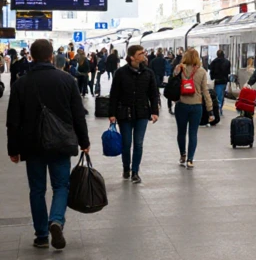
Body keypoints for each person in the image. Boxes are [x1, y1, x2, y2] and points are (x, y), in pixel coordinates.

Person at [6, 39, 90, 251]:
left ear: (31, 57)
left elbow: (13, 121)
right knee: (61, 186)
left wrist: (13, 149)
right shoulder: (67, 80)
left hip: (32, 144)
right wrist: (84, 141)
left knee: (37, 190)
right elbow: (78, 115)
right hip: (60, 142)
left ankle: (42, 236)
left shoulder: (21, 84)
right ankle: (56, 220)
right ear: (51, 56)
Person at [109, 45, 160, 184]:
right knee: (126, 143)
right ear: (132, 57)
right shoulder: (120, 73)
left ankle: (135, 171)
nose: (144, 55)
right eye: (140, 53)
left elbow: (153, 94)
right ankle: (126, 167)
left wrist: (155, 111)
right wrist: (112, 113)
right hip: (124, 113)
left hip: (142, 112)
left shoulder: (148, 73)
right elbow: (114, 94)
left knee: (138, 143)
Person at [172, 48, 214, 169]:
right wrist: (210, 110)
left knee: (181, 132)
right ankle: (190, 159)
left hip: (181, 105)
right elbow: (205, 91)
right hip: (196, 106)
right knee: (193, 133)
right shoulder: (202, 71)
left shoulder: (179, 68)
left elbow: (172, 82)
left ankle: (183, 155)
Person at [209, 49, 231, 117]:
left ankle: (218, 109)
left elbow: (211, 71)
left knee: (218, 96)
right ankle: (220, 108)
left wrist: (212, 78)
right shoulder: (227, 62)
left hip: (217, 81)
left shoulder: (214, 62)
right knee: (222, 95)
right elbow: (228, 72)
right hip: (224, 82)